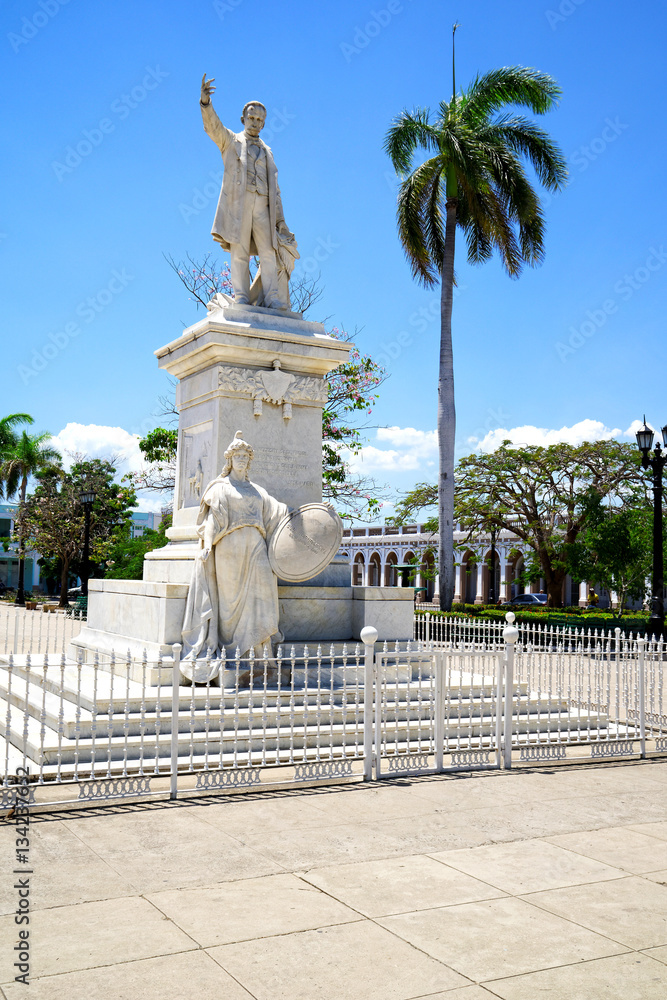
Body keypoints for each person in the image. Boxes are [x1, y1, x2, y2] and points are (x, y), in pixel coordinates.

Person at [181, 431, 288, 676]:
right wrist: (207, 545)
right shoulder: (219, 488)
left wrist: (314, 512)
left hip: (257, 550)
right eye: (237, 455)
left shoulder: (257, 491)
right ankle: (233, 654)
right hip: (228, 551)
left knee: (263, 599)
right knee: (229, 609)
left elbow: (282, 513)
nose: (241, 459)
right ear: (229, 460)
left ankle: (258, 655)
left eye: (245, 456)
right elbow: (211, 521)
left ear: (249, 461)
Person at [199, 74, 295, 310]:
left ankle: (272, 298)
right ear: (243, 118)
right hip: (239, 204)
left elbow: (277, 190)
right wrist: (205, 104)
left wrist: (281, 221)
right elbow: (214, 128)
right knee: (239, 249)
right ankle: (241, 296)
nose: (254, 122)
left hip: (263, 206)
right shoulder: (231, 141)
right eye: (251, 117)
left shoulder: (268, 151)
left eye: (259, 119)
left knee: (268, 252)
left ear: (263, 124)